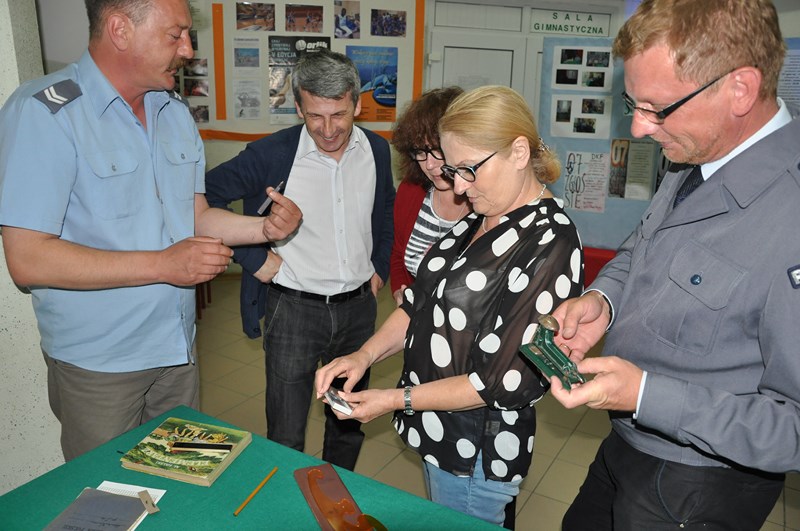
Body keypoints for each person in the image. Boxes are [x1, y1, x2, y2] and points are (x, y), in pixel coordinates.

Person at [0, 0, 301, 461]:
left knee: (180, 481)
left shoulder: (173, 112)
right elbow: (27, 259)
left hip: (177, 351)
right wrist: (163, 265)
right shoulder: (46, 112)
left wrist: (264, 228)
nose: (188, 50)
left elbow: (194, 216)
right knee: (108, 493)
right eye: (175, 35)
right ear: (120, 30)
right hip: (100, 364)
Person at [548, 1, 798, 529]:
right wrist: (603, 302)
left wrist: (646, 394)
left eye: (657, 108)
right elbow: (641, 248)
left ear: (740, 89)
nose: (639, 129)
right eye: (633, 104)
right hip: (627, 442)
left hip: (701, 481)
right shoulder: (698, 153)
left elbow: (792, 430)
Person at [315, 85, 583, 526]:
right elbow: (419, 303)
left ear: (519, 152)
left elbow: (498, 382)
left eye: (469, 170)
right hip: (438, 430)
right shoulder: (481, 214)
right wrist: (363, 355)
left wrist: (393, 399)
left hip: (474, 448)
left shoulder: (549, 241)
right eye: (454, 170)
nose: (458, 186)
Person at [205, 48, 394, 472]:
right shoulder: (270, 154)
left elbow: (385, 209)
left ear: (357, 104)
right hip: (293, 311)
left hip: (358, 310)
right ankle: (286, 502)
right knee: (286, 431)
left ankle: (338, 494)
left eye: (339, 115)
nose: (327, 130)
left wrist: (380, 268)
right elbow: (204, 199)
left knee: (347, 423)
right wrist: (254, 258)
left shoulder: (377, 151)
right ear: (298, 107)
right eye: (315, 116)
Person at [390, 86, 467, 303]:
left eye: (438, 150)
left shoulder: (486, 202)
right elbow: (398, 254)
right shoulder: (410, 191)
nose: (430, 164)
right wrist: (399, 292)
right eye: (420, 151)